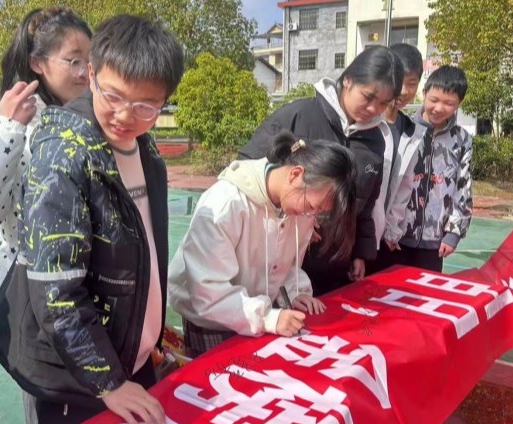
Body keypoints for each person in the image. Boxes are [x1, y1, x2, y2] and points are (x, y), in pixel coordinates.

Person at [0, 15, 184, 424]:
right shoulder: (63, 153)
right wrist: (108, 382)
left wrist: (148, 336)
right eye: (113, 96)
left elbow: (147, 250)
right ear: (91, 74)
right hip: (79, 379)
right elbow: (55, 290)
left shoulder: (146, 149)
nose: (125, 115)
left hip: (130, 359)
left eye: (146, 106)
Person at [168, 131, 357, 358]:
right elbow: (208, 292)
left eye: (319, 212)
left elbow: (287, 263)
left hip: (258, 311)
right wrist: (268, 317)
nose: (311, 215)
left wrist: (295, 293)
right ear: (296, 174)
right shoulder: (226, 204)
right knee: (221, 377)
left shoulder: (297, 206)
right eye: (311, 206)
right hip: (211, 318)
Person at [239, 45, 403, 295]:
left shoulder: (375, 140)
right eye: (368, 97)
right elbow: (250, 172)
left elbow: (366, 202)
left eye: (383, 103)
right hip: (285, 267)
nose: (373, 109)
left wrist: (361, 252)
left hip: (336, 266)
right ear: (348, 80)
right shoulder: (299, 116)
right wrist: (296, 214)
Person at [0, 7, 92, 288]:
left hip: (83, 283)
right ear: (38, 63)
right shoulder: (13, 126)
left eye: (90, 61)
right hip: (25, 287)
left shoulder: (92, 121)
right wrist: (6, 129)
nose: (85, 72)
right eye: (74, 61)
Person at [382, 65, 472, 272]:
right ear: (424, 94)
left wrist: (453, 233)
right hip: (395, 237)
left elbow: (463, 188)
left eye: (449, 103)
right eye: (434, 100)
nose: (439, 108)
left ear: (459, 103)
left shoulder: (461, 139)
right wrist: (388, 229)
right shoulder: (405, 129)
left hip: (434, 242)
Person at [369, 42, 426, 273]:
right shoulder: (366, 122)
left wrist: (393, 228)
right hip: (355, 235)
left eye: (411, 83)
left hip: (384, 238)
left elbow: (404, 186)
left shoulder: (411, 131)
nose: (403, 91)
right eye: (399, 81)